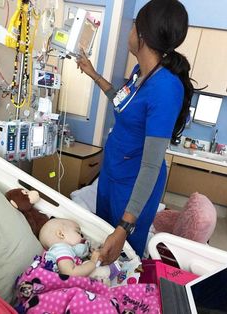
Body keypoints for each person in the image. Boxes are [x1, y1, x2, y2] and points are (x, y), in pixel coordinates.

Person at [76, 0, 194, 264]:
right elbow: (122, 101)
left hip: (133, 186)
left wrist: (125, 227)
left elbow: (151, 166)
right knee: (101, 240)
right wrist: (93, 74)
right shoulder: (141, 72)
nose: (128, 33)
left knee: (123, 256)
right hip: (112, 173)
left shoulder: (166, 88)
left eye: (132, 27)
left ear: (142, 35)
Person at [39, 218, 121, 283]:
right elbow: (70, 274)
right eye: (78, 232)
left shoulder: (62, 252)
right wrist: (92, 262)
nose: (83, 238)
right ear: (61, 234)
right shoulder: (61, 249)